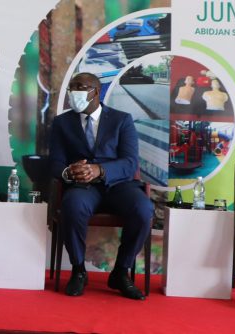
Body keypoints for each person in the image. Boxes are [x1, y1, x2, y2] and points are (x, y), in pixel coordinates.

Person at [49, 72, 153, 300]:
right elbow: (55, 163)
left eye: (80, 87)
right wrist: (69, 171)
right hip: (83, 187)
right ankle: (78, 271)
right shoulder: (61, 123)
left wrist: (100, 170)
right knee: (72, 206)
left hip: (119, 185)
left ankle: (120, 272)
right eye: (71, 88)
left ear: (95, 91)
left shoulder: (121, 119)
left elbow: (130, 162)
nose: (73, 92)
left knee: (144, 210)